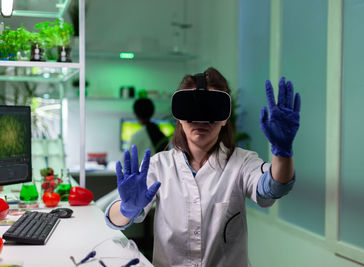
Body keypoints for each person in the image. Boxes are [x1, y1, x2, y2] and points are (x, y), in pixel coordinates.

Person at [105, 67, 301, 267]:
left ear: (225, 117)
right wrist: (127, 209)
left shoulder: (242, 163)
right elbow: (114, 220)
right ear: (179, 116)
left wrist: (282, 152)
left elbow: (272, 187)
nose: (201, 120)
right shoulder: (159, 165)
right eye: (192, 109)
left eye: (212, 109)